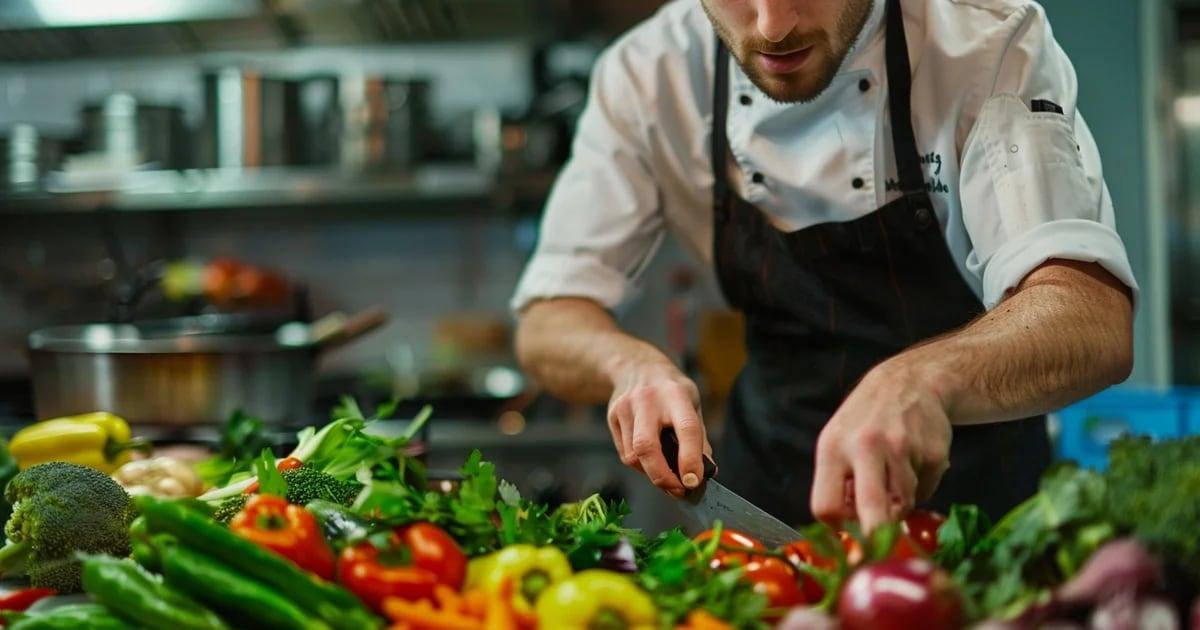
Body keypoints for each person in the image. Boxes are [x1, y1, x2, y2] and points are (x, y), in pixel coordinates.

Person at [511, 0, 1136, 532]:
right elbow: (549, 319)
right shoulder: (649, 74)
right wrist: (630, 366)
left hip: (977, 520)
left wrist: (922, 382)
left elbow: (1091, 314)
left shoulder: (983, 42)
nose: (773, 26)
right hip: (766, 503)